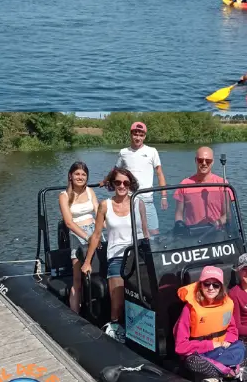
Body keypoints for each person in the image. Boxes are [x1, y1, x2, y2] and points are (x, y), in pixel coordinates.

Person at [81, 168, 148, 343]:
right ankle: (115, 326)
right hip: (118, 255)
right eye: (118, 182)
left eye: (126, 183)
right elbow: (96, 235)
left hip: (137, 254)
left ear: (130, 184)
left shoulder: (137, 202)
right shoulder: (105, 205)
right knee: (117, 299)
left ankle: (147, 330)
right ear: (112, 184)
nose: (122, 186)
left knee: (148, 292)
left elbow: (145, 232)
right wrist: (87, 261)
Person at [174, 266, 247, 382]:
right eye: (207, 284)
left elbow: (232, 330)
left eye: (216, 285)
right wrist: (212, 345)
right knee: (192, 362)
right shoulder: (189, 309)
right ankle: (236, 372)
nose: (211, 288)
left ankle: (219, 376)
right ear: (200, 285)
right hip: (202, 353)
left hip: (223, 349)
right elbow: (180, 347)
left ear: (221, 287)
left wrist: (226, 342)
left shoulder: (226, 304)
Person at [106, 121, 167, 235]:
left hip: (147, 198)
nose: (138, 137)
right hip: (128, 199)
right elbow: (115, 170)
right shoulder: (123, 152)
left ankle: (152, 252)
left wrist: (164, 196)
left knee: (154, 231)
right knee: (131, 231)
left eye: (141, 135)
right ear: (131, 134)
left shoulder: (152, 151)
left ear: (144, 136)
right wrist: (105, 180)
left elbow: (159, 173)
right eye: (135, 134)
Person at [58, 161, 102, 313]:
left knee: (100, 270)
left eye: (83, 174)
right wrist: (87, 237)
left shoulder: (90, 192)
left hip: (94, 230)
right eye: (77, 173)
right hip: (77, 234)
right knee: (78, 279)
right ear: (70, 176)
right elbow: (69, 223)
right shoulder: (64, 196)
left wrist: (100, 231)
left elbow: (99, 213)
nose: (80, 177)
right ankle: (75, 313)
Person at [173, 147, 235, 228]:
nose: (204, 163)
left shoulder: (222, 184)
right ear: (195, 160)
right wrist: (179, 225)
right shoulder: (184, 184)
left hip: (216, 232)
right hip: (192, 233)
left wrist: (215, 224)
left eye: (208, 161)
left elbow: (228, 214)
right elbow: (179, 213)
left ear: (212, 162)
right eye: (200, 160)